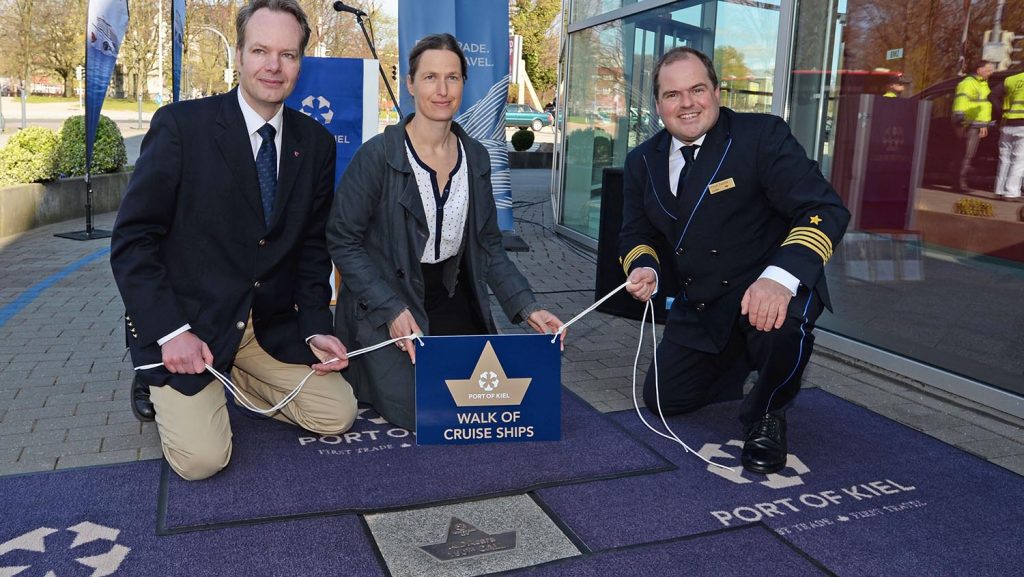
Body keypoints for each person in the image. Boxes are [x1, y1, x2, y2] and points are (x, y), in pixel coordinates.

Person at [110, 0, 357, 481]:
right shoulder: (182, 127)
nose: (273, 65)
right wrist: (170, 332)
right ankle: (158, 380)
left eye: (288, 54)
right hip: (191, 328)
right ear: (239, 55)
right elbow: (133, 240)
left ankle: (238, 375)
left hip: (265, 326)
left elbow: (311, 249)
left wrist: (313, 325)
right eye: (261, 50)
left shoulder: (317, 144)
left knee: (337, 415)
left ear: (300, 64)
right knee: (203, 461)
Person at [619, 47, 849, 475]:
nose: (686, 104)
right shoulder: (641, 161)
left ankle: (767, 412)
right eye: (672, 95)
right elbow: (636, 233)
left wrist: (780, 279)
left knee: (781, 328)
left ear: (717, 92)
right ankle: (743, 357)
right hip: (703, 302)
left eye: (697, 89)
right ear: (657, 105)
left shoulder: (760, 136)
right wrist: (645, 266)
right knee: (665, 400)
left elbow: (823, 209)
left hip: (765, 291)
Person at [327, 33, 563, 431]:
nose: (442, 90)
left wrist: (528, 307)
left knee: (481, 401)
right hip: (386, 302)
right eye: (431, 77)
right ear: (411, 83)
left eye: (452, 78)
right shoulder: (376, 156)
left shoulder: (476, 156)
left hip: (448, 294)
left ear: (463, 84)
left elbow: (488, 247)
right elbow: (341, 240)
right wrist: (391, 309)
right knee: (427, 411)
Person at [951, 60, 995, 192]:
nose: (991, 72)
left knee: (968, 154)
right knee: (965, 154)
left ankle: (959, 182)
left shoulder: (982, 84)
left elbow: (983, 106)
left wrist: (983, 124)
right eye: (988, 70)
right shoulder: (968, 83)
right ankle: (959, 184)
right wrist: (960, 117)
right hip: (967, 123)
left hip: (975, 123)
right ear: (979, 70)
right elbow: (961, 100)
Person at [995, 68, 1024, 202]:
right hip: (1022, 126)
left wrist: (1001, 110)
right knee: (1018, 160)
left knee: (1004, 159)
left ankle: (999, 190)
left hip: (1007, 124)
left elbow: (992, 95)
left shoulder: (1010, 80)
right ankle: (1011, 193)